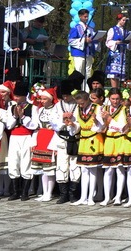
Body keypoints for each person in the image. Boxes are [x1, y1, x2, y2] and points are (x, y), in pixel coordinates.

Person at [5, 80, 37, 201]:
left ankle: (25, 192)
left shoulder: (32, 108)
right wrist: (15, 116)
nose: (16, 98)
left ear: (24, 96)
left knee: (26, 162)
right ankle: (15, 191)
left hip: (26, 137)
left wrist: (23, 117)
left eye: (18, 96)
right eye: (15, 96)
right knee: (13, 162)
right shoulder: (11, 107)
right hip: (14, 137)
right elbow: (8, 125)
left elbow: (34, 125)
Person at [53, 75, 81, 204]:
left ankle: (73, 193)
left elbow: (81, 121)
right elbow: (53, 122)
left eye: (68, 95)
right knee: (62, 165)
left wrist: (73, 124)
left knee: (75, 166)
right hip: (62, 138)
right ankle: (63, 194)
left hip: (75, 138)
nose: (65, 97)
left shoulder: (77, 105)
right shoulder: (58, 106)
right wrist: (62, 120)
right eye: (63, 95)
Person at [30, 87, 59, 202]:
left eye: (44, 99)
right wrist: (34, 141)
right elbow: (36, 126)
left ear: (51, 99)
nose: (42, 101)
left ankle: (49, 192)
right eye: (41, 99)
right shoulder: (40, 110)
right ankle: (44, 192)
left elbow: (57, 128)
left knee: (49, 169)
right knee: (42, 169)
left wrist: (55, 145)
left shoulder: (56, 109)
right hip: (41, 137)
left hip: (51, 138)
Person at [100, 88, 128, 206]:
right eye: (113, 99)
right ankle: (107, 197)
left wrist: (110, 120)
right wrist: (100, 121)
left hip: (120, 139)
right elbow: (100, 126)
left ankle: (118, 196)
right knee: (108, 169)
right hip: (109, 140)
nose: (115, 101)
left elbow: (122, 127)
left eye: (117, 99)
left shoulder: (124, 110)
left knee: (120, 169)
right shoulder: (104, 109)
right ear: (109, 98)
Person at [68, 9, 97, 79]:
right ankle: (78, 89)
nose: (87, 18)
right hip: (79, 53)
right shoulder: (76, 27)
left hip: (88, 53)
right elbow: (71, 41)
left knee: (88, 73)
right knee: (79, 72)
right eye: (85, 17)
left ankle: (87, 89)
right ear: (80, 16)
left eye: (87, 17)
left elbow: (92, 38)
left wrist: (97, 39)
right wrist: (84, 40)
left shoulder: (90, 28)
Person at [105, 14, 131, 84]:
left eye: (125, 20)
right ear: (119, 20)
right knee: (113, 73)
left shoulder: (126, 31)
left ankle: (118, 90)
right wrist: (116, 42)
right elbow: (108, 42)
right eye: (123, 20)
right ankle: (114, 90)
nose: (124, 22)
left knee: (120, 73)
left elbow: (128, 45)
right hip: (115, 53)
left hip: (122, 53)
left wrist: (130, 41)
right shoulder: (112, 29)